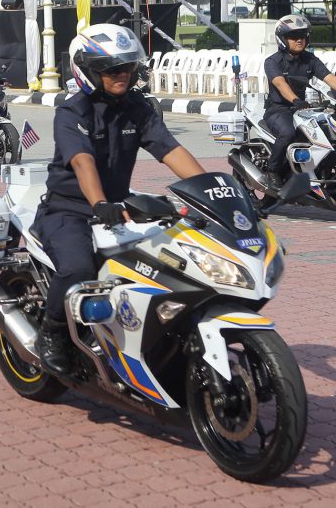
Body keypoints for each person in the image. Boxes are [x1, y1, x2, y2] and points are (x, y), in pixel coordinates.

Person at [32, 23, 206, 378]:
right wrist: (98, 204)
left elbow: (170, 149)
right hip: (70, 209)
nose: (122, 75)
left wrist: (214, 188)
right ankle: (52, 333)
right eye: (112, 69)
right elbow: (83, 161)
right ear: (89, 70)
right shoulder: (72, 111)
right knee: (79, 269)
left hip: (119, 208)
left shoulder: (137, 108)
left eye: (127, 67)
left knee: (172, 264)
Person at [263, 14, 336, 190]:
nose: (299, 40)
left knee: (329, 132)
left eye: (303, 35)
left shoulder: (310, 60)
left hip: (302, 109)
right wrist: (295, 100)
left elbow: (330, 79)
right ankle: (272, 171)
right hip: (278, 110)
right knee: (288, 133)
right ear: (283, 39)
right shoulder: (273, 61)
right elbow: (279, 83)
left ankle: (324, 173)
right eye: (293, 36)